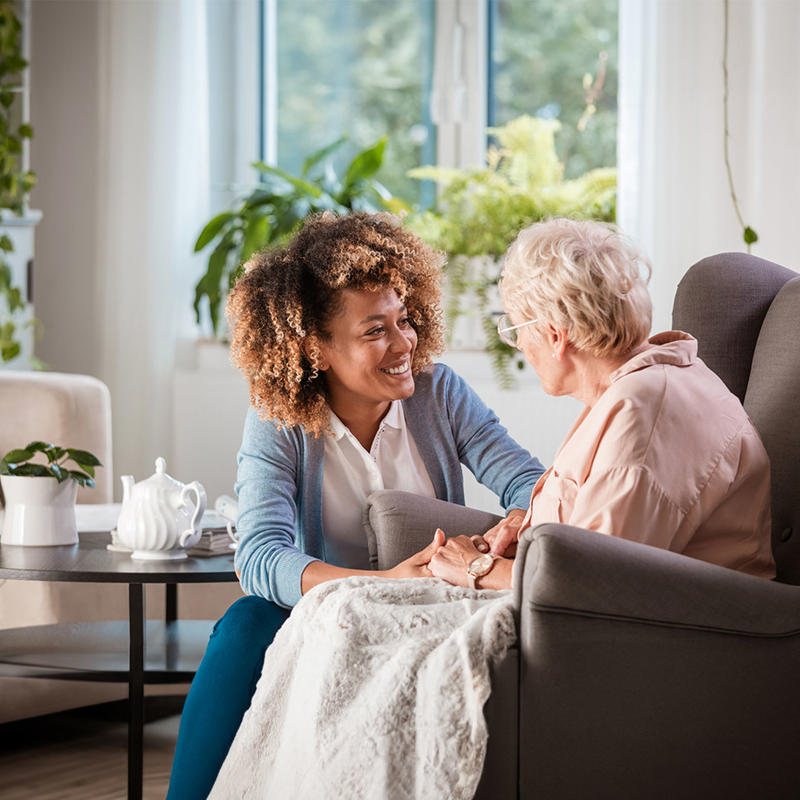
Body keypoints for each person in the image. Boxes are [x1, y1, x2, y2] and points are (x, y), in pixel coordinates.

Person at [167, 211, 545, 799]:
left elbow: (528, 481)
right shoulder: (280, 422)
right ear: (315, 348)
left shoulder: (440, 393)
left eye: (404, 320)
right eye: (375, 331)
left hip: (436, 606)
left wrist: (519, 519)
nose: (404, 344)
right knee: (245, 624)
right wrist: (374, 584)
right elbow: (261, 557)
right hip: (329, 615)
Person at [428, 217, 775, 590]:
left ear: (554, 335)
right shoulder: (644, 384)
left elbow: (594, 584)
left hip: (681, 632)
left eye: (515, 329)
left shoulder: (643, 413)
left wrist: (478, 568)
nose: (520, 346)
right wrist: (528, 530)